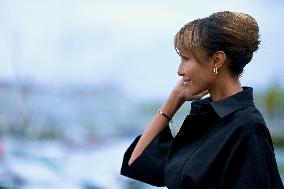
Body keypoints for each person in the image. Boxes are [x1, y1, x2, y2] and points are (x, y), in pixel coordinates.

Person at [120, 11, 284, 189]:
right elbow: (135, 161)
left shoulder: (247, 128)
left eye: (186, 58)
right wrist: (175, 99)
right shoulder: (204, 119)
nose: (179, 70)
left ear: (217, 60)